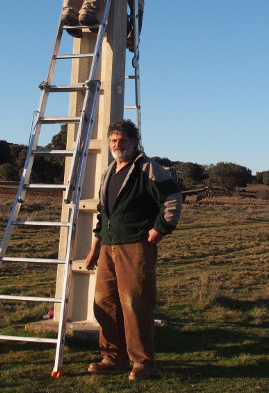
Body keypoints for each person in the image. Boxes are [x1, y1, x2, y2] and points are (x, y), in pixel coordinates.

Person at [85, 119, 182, 381]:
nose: (118, 145)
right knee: (105, 303)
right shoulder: (109, 171)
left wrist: (160, 228)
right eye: (114, 141)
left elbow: (173, 196)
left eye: (123, 141)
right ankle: (113, 358)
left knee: (135, 303)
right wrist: (96, 246)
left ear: (134, 142)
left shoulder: (147, 168)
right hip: (108, 247)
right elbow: (103, 214)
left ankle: (143, 363)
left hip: (136, 246)